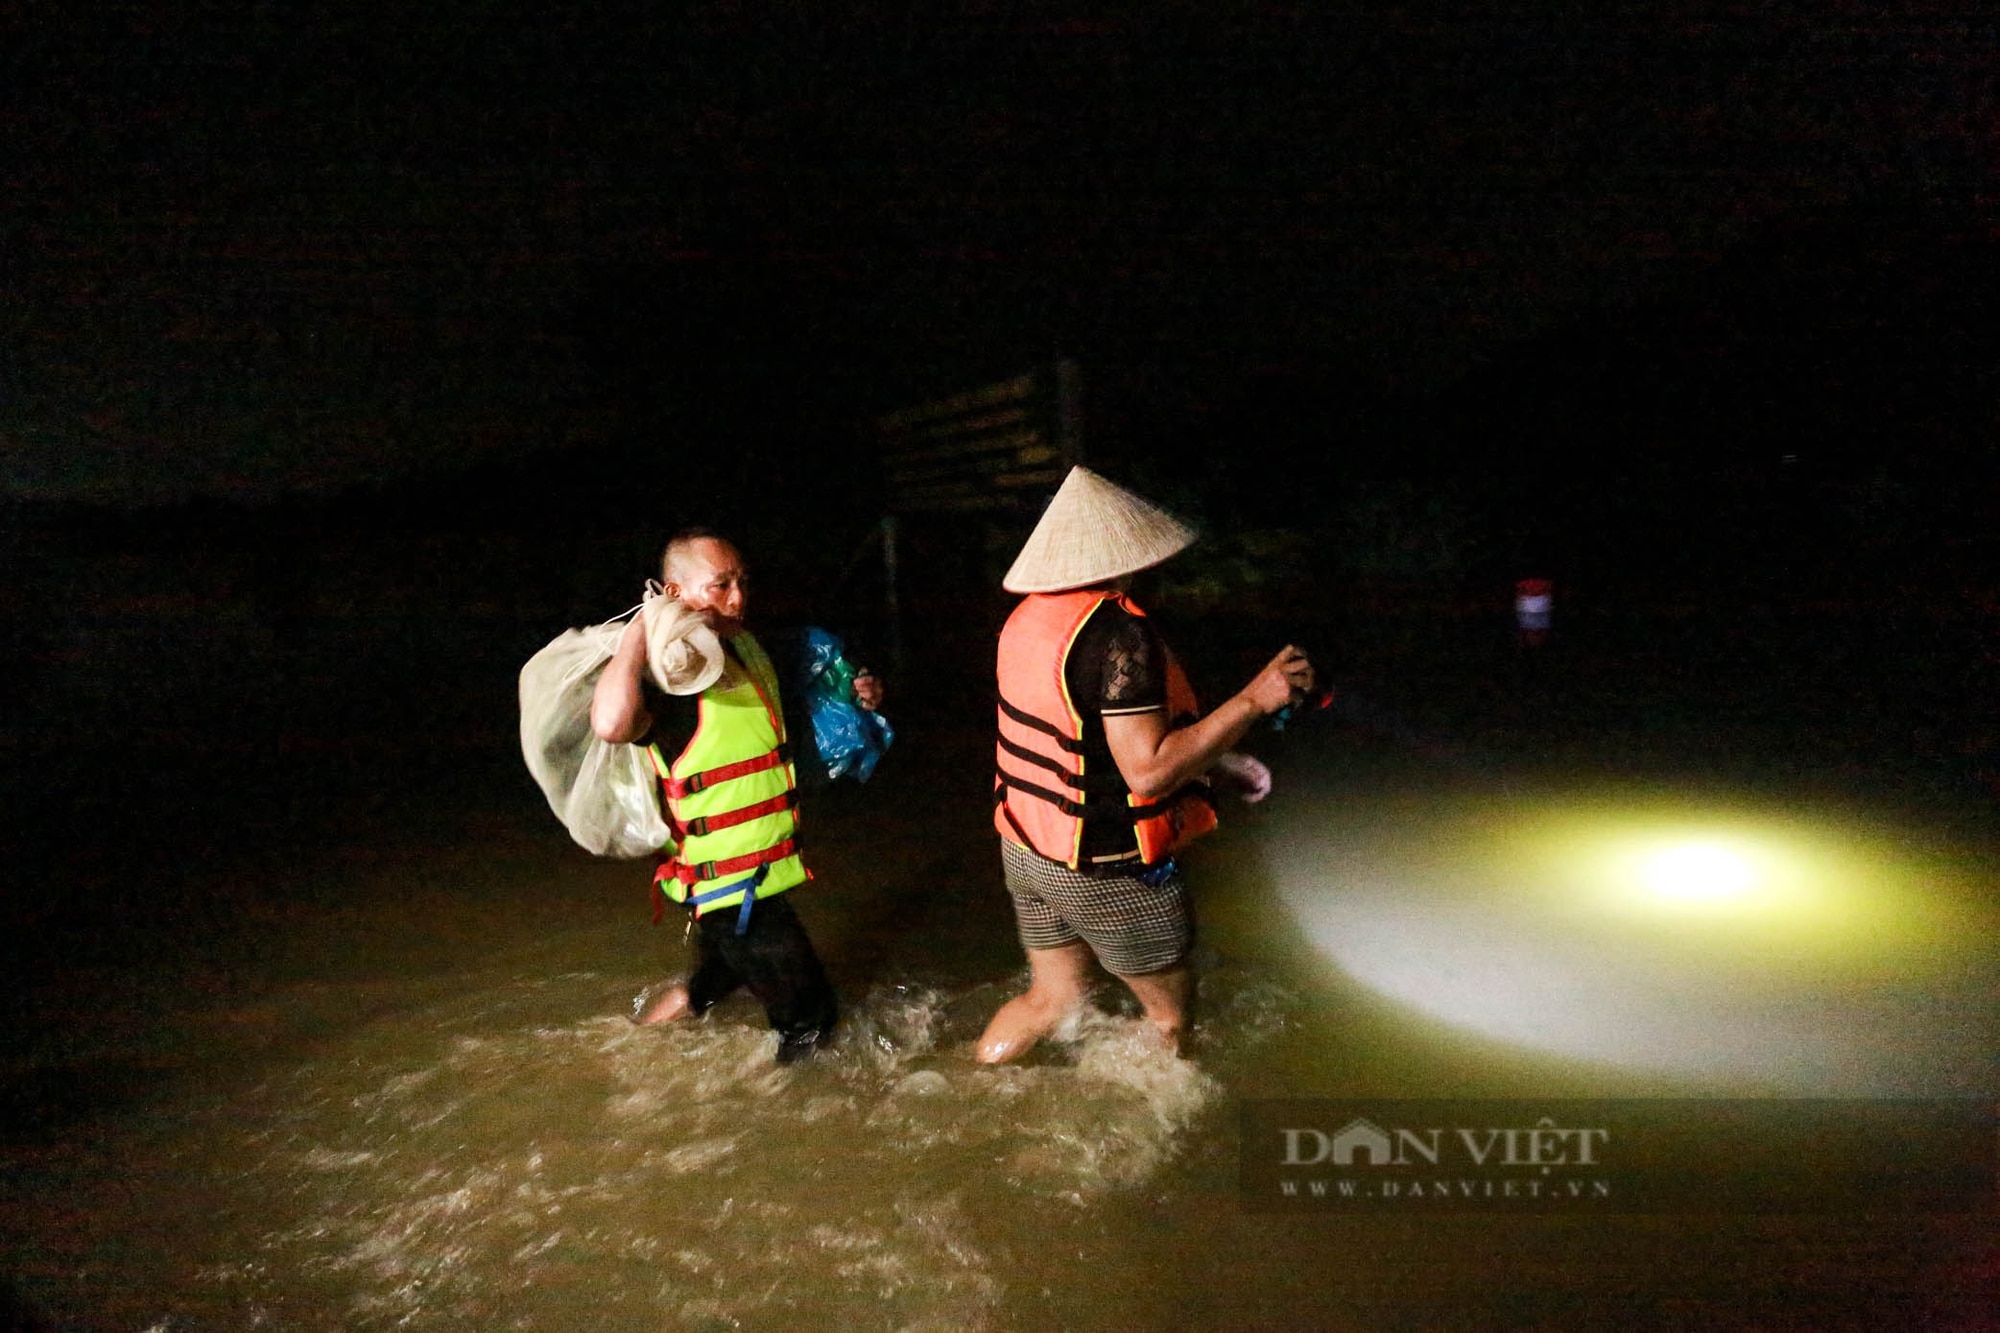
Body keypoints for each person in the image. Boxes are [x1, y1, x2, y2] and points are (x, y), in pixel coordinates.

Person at [979, 467, 1315, 1064]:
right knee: (1167, 1021)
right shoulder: (1119, 636)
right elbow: (1147, 773)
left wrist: (1217, 756)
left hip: (1027, 846)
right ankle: (1161, 1138)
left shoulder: (1028, 618)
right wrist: (1253, 701)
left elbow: (1080, 735)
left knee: (1051, 1001)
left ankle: (976, 1082)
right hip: (1106, 867)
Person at [591, 529, 881, 1064]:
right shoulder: (666, 675)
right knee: (812, 1024)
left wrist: (857, 689)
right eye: (719, 586)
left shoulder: (743, 646)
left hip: (753, 879)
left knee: (710, 986)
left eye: (741, 582)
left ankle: (634, 1039)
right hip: (731, 892)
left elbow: (792, 695)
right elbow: (611, 723)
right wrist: (639, 631)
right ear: (675, 593)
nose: (738, 598)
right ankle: (792, 1126)